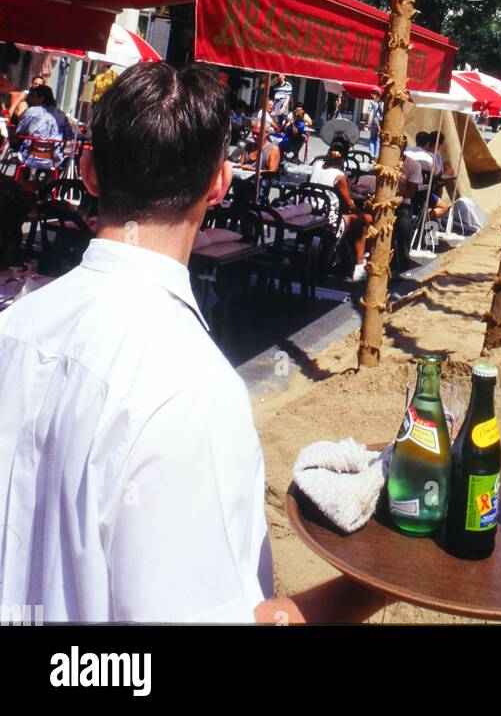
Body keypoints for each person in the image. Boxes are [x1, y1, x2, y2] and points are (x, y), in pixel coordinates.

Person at [0, 62, 382, 624]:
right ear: (220, 185)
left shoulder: (15, 329)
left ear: (87, 171)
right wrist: (375, 584)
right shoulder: (192, 391)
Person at [309, 132, 371, 281]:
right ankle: (359, 266)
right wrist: (361, 212)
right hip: (329, 219)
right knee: (366, 219)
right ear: (343, 159)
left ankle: (344, 257)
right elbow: (349, 204)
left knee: (353, 219)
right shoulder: (339, 176)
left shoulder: (317, 165)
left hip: (312, 212)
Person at [13, 84, 73, 170]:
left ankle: (21, 181)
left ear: (42, 98)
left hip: (29, 156)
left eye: (34, 97)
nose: (31, 99)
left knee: (22, 147)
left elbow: (19, 131)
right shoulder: (61, 114)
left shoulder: (31, 111)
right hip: (52, 158)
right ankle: (48, 181)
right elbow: (69, 135)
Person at [368, 90, 383, 159]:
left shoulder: (372, 102)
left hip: (375, 121)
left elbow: (369, 112)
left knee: (372, 138)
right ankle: (376, 156)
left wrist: (367, 123)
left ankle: (371, 155)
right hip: (381, 121)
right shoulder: (384, 102)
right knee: (378, 139)